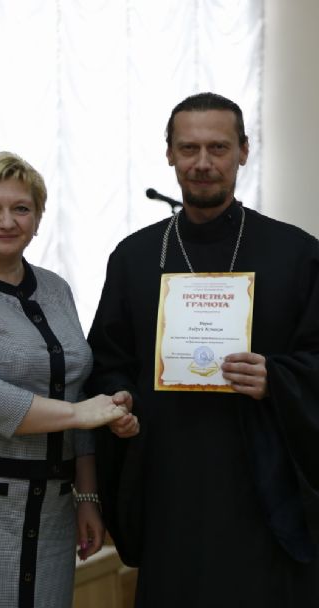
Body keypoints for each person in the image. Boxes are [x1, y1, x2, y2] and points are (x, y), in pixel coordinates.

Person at [86, 93, 319, 607]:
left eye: (218, 147)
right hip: (169, 477)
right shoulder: (134, 257)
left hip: (263, 485)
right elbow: (107, 360)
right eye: (189, 148)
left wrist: (276, 377)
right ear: (169, 153)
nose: (203, 163)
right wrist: (120, 398)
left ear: (244, 151)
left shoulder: (297, 253)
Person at [0, 151, 138, 608]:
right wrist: (78, 414)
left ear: (38, 219)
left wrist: (87, 496)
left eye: (21, 208)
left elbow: (78, 387)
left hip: (52, 511)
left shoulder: (56, 289)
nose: (7, 221)